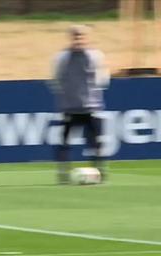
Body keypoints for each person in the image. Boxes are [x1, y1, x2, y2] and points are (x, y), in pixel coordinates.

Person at [51, 24, 110, 184]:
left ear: (87, 38)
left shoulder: (95, 56)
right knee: (64, 142)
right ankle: (63, 173)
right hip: (70, 108)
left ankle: (100, 172)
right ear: (71, 38)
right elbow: (56, 78)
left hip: (91, 107)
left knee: (96, 142)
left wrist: (92, 94)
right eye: (76, 36)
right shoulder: (62, 57)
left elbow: (103, 78)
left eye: (81, 36)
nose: (78, 39)